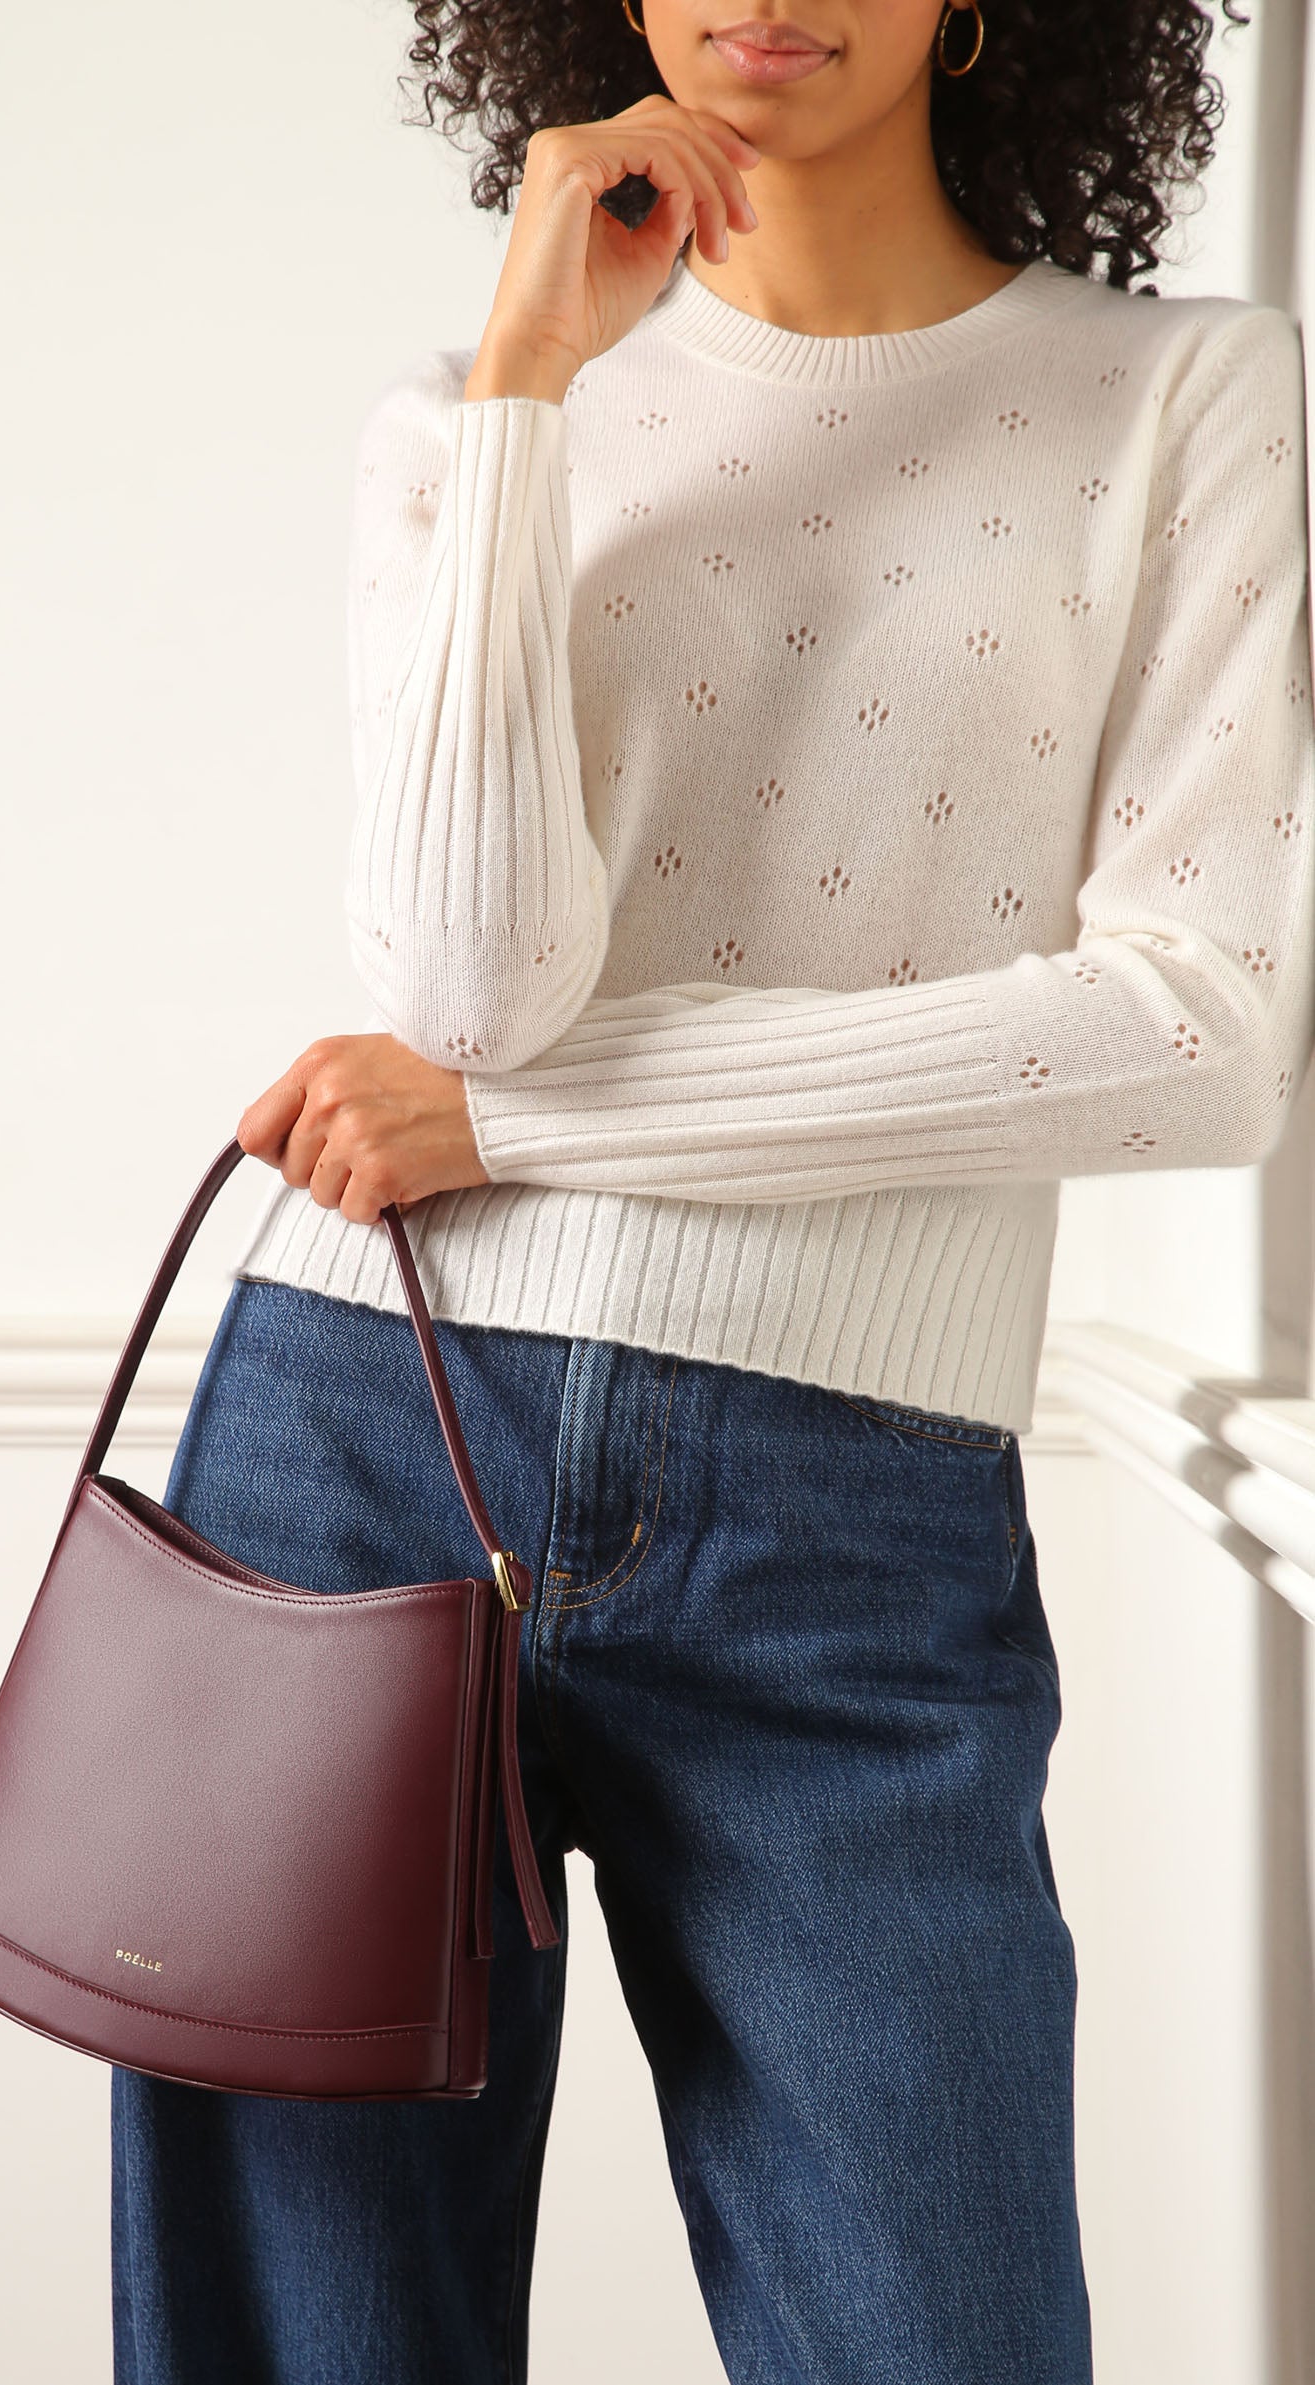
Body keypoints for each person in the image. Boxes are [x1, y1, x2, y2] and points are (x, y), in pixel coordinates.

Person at [110, 4, 1314, 2379]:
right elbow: (466, 973)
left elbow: (1195, 1032)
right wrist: (532, 385)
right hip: (363, 1439)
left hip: (851, 1533)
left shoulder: (1190, 399)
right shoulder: (460, 428)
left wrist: (524, 1119)